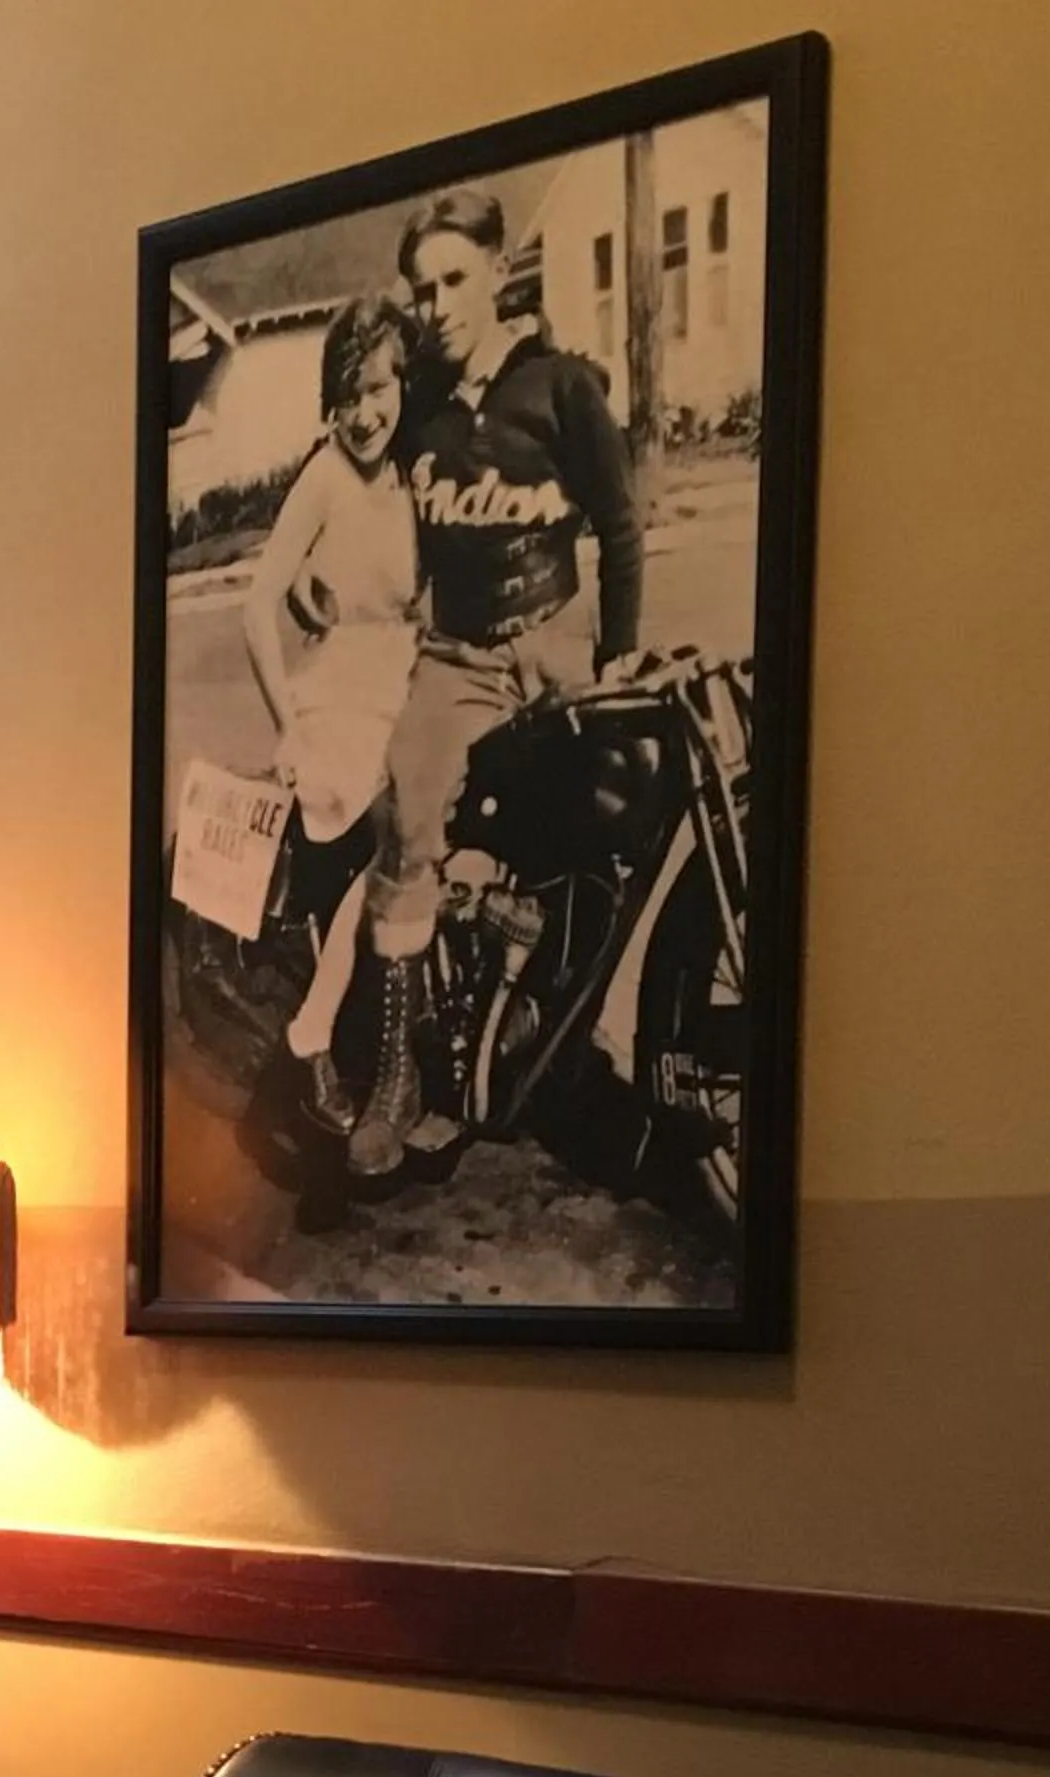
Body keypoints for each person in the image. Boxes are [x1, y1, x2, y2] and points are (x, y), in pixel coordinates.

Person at [345, 185, 645, 1178]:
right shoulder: (416, 407)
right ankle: (397, 1071)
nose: (438, 304)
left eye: (456, 280)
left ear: (499, 272)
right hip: (460, 657)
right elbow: (349, 493)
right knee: (410, 816)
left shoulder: (560, 386)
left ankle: (562, 1035)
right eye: (424, 288)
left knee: (604, 826)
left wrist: (620, 652)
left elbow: (620, 527)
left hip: (556, 645)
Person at [236, 293, 424, 1147]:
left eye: (381, 388)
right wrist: (288, 728)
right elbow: (256, 606)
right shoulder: (324, 476)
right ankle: (319, 1037)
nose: (365, 413)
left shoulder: (415, 469)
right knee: (382, 853)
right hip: (341, 696)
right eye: (349, 394)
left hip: (408, 678)